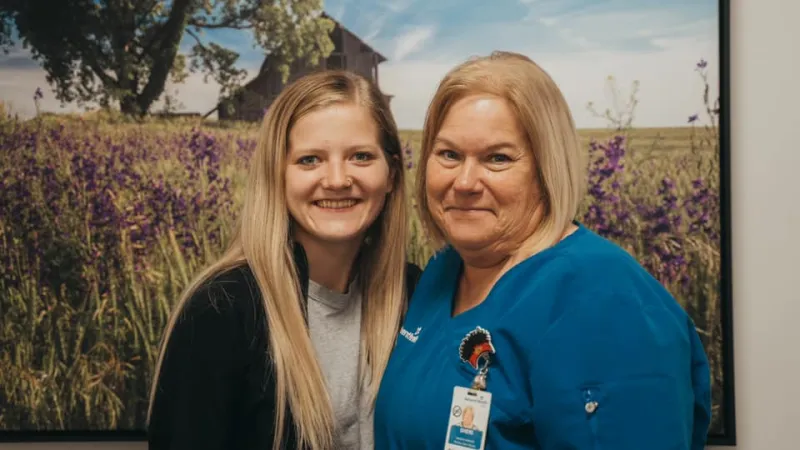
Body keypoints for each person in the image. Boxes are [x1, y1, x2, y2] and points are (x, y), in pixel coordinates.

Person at [374, 51, 712, 449]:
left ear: (546, 170)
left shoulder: (602, 297)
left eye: (496, 158)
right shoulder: (442, 273)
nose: (464, 181)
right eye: (449, 154)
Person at [146, 70, 422, 450]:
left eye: (360, 156)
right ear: (277, 176)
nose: (338, 179)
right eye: (310, 160)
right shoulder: (221, 310)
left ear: (391, 174)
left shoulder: (415, 295)